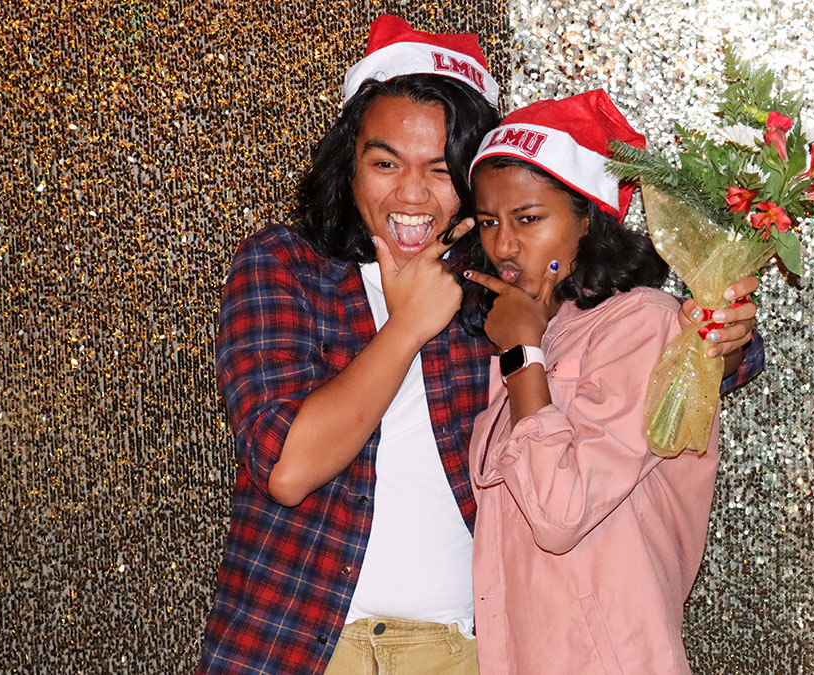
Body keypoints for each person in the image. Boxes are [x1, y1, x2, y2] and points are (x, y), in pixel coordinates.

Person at [200, 15, 762, 675]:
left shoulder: (497, 291)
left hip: (465, 649)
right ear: (348, 167)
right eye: (385, 162)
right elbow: (288, 469)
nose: (410, 193)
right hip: (298, 642)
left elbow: (633, 349)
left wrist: (724, 340)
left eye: (440, 169)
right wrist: (408, 324)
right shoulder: (288, 267)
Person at [460, 89, 743, 674]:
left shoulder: (642, 322)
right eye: (489, 221)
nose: (503, 244)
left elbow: (560, 514)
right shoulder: (533, 325)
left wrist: (521, 354)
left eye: (529, 218)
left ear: (587, 218)